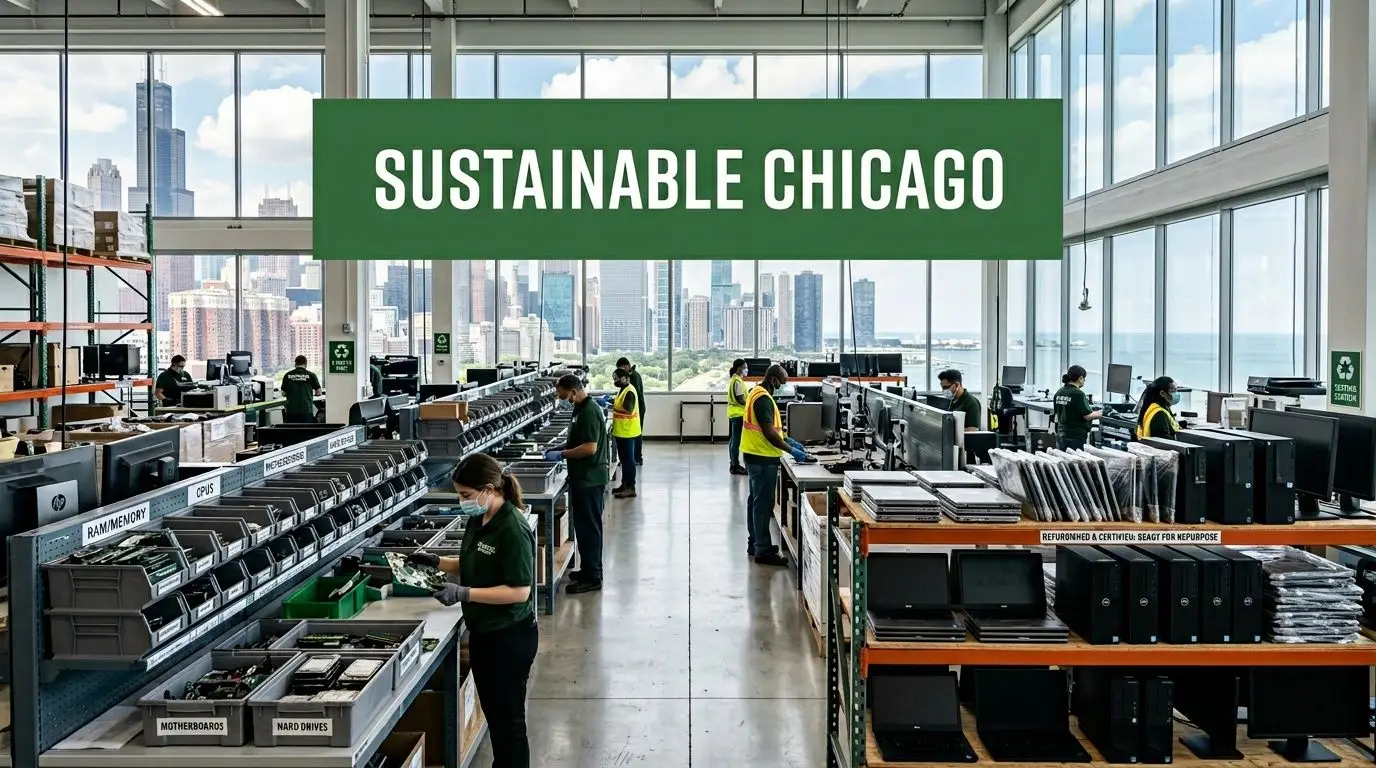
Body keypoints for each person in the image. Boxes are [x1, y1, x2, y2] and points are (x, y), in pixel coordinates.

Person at [407, 454, 537, 768]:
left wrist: (463, 593)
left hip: (509, 638)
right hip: (484, 634)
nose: (462, 501)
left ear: (489, 489)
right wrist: (437, 561)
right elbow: (473, 561)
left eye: (465, 495)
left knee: (508, 725)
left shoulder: (513, 528)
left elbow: (519, 591)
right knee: (497, 719)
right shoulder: (479, 519)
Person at [544, 374, 609, 594]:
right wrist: (559, 448)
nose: (559, 397)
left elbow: (590, 447)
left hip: (590, 479)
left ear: (573, 391)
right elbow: (577, 440)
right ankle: (588, 569)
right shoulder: (580, 409)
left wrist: (562, 454)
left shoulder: (589, 411)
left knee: (589, 528)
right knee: (583, 527)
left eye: (561, 394)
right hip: (582, 478)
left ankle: (593, 577)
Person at [741, 364, 809, 567]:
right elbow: (769, 434)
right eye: (781, 383)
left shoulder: (757, 393)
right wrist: (792, 451)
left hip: (755, 455)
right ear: (773, 380)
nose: (781, 388)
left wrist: (789, 441)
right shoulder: (762, 399)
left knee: (755, 502)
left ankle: (754, 543)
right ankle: (763, 550)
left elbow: (773, 429)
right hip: (762, 458)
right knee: (763, 505)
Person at [1053, 364, 1103, 450]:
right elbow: (1087, 416)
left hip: (1061, 435)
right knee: (1075, 457)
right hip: (1075, 436)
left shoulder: (1060, 391)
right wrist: (1101, 413)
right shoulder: (1078, 394)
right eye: (1084, 379)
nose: (1084, 381)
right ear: (1080, 378)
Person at [609, 367, 640, 499]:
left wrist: (612, 407)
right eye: (614, 378)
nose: (615, 381)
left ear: (626, 378)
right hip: (622, 431)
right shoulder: (623, 389)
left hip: (628, 431)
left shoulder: (630, 391)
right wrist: (611, 402)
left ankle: (631, 488)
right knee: (623, 460)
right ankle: (624, 485)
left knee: (628, 461)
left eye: (617, 378)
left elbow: (628, 409)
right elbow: (620, 403)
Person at [616, 357, 645, 465]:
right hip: (635, 408)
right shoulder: (631, 375)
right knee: (635, 433)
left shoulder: (633, 377)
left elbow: (632, 395)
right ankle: (632, 458)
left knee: (636, 434)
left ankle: (636, 458)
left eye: (622, 369)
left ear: (627, 366)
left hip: (637, 409)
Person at [280, 355, 323, 424]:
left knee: (291, 430)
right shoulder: (311, 375)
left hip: (291, 411)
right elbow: (319, 392)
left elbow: (283, 393)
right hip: (306, 410)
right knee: (306, 429)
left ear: (295, 364)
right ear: (306, 364)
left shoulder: (287, 375)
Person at [725, 358, 749, 476]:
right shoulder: (737, 382)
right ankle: (735, 465)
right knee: (736, 441)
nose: (746, 370)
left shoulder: (733, 380)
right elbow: (740, 399)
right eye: (745, 367)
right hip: (739, 414)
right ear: (739, 369)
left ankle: (733, 464)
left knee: (733, 440)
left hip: (733, 413)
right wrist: (750, 403)